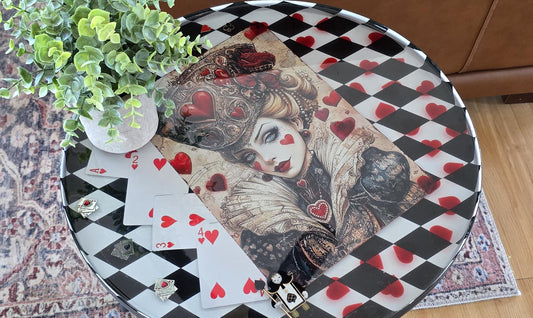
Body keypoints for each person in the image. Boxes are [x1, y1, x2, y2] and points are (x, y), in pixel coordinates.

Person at [158, 37, 423, 286]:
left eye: (270, 136)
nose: (268, 158)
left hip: (398, 253)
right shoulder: (262, 216)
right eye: (250, 156)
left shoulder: (357, 160)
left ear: (294, 122)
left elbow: (399, 185)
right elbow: (282, 279)